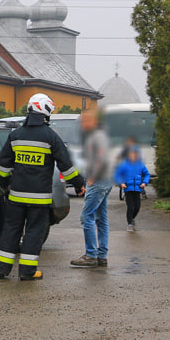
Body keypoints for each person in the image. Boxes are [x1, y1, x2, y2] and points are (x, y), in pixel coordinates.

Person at [0, 94, 85, 280]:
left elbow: (3, 166)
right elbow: (66, 166)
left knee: (10, 230)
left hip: (16, 196)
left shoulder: (15, 135)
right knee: (33, 232)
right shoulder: (51, 137)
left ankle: (1, 269)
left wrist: (4, 184)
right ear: (46, 112)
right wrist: (79, 184)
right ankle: (27, 272)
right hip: (39, 198)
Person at [70, 107, 113, 268]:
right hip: (105, 180)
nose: (83, 123)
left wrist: (93, 176)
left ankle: (91, 255)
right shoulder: (97, 134)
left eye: (86, 120)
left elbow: (101, 156)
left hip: (99, 180)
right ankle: (101, 256)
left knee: (86, 216)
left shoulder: (97, 135)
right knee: (101, 219)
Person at [115, 146, 150, 232]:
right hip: (128, 189)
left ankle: (132, 218)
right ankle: (129, 223)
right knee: (130, 207)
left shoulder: (140, 165)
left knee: (137, 207)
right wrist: (121, 183)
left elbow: (147, 174)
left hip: (137, 189)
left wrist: (144, 182)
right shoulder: (124, 165)